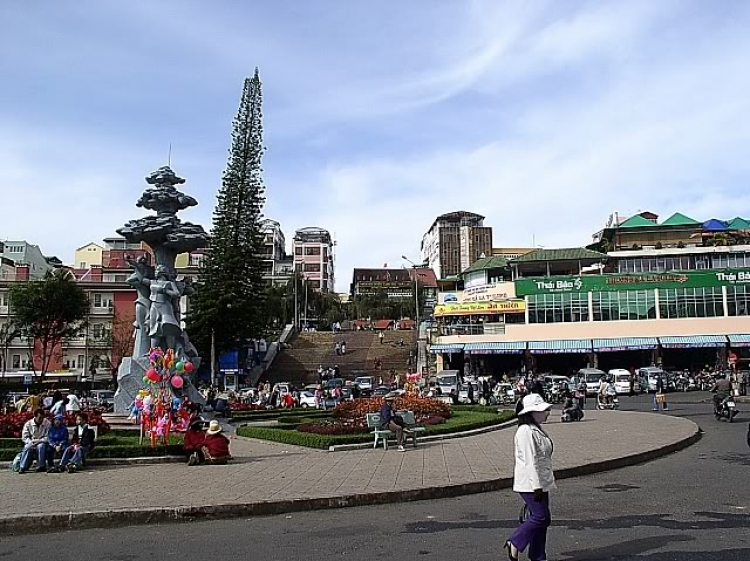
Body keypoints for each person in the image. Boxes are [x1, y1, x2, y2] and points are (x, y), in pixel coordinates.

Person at [505, 394, 555, 561]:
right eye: (543, 410)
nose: (547, 412)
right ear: (531, 412)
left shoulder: (536, 429)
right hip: (531, 484)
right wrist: (536, 487)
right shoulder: (525, 431)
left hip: (541, 482)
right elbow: (529, 461)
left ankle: (538, 556)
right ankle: (515, 542)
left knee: (543, 519)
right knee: (540, 517)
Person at [19, 408, 51, 473]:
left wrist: (39, 441)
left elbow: (48, 436)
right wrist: (31, 442)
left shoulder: (47, 423)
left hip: (42, 441)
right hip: (31, 441)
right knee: (27, 447)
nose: (41, 419)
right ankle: (23, 467)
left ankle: (41, 466)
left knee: (41, 447)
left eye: (42, 417)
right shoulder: (28, 424)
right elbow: (25, 437)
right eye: (39, 418)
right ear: (35, 416)